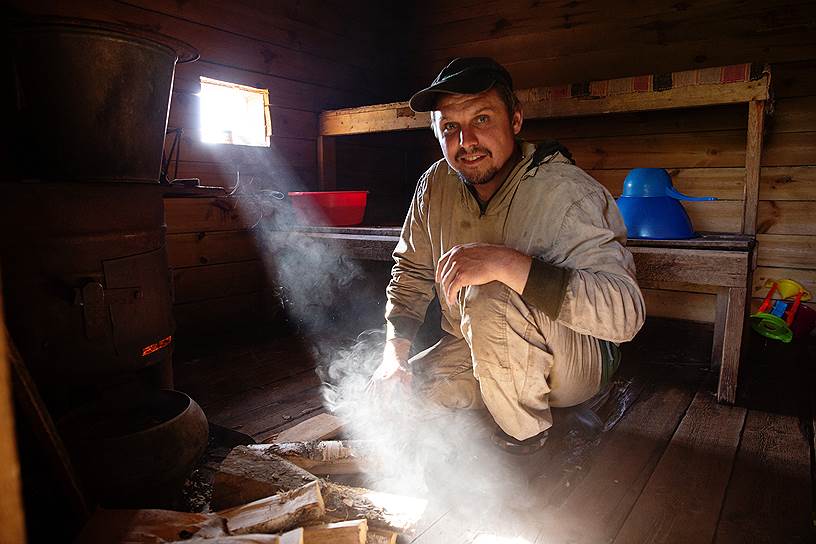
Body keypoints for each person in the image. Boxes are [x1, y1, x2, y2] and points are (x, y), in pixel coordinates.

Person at [368, 57, 645, 451]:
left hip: (575, 360)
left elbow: (625, 316)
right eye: (450, 127)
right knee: (397, 402)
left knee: (491, 294)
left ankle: (527, 444)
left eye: (482, 119)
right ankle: (504, 400)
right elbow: (410, 274)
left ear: (515, 120)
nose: (466, 142)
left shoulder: (567, 192)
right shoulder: (435, 186)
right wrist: (393, 359)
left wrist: (506, 263)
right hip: (474, 342)